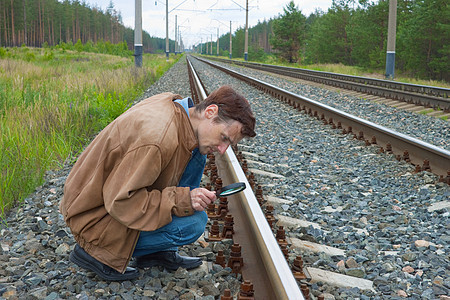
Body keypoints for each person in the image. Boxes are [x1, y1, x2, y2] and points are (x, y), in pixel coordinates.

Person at [59, 85, 256, 281]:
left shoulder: (177, 109)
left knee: (197, 152)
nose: (223, 149)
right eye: (224, 138)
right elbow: (121, 201)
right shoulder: (157, 138)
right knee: (194, 224)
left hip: (96, 198)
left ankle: (154, 253)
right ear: (210, 111)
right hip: (92, 217)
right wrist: (182, 200)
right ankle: (97, 252)